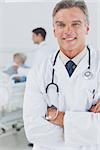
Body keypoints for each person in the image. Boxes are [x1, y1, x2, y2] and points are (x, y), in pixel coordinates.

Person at [23, 0, 100, 150]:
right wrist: (87, 126)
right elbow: (33, 130)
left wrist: (59, 117)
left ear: (87, 28)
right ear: (54, 31)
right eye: (61, 25)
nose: (68, 31)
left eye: (76, 24)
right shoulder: (39, 70)